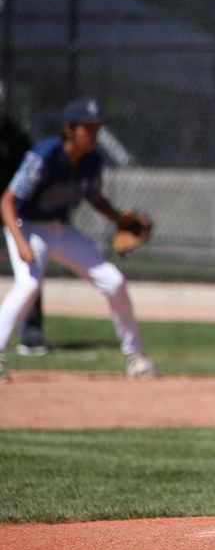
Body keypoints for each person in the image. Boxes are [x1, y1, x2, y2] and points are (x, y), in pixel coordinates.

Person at [0, 98, 154, 382]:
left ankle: (134, 356)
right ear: (70, 129)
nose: (94, 134)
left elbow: (94, 197)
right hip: (28, 226)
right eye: (88, 128)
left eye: (97, 128)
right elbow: (7, 201)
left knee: (114, 282)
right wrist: (21, 242)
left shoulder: (92, 161)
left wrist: (117, 218)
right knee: (29, 285)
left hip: (62, 229)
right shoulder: (45, 155)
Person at [0, 113, 48, 355]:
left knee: (31, 277)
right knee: (29, 281)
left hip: (16, 207)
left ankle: (31, 336)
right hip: (12, 205)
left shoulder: (17, 138)